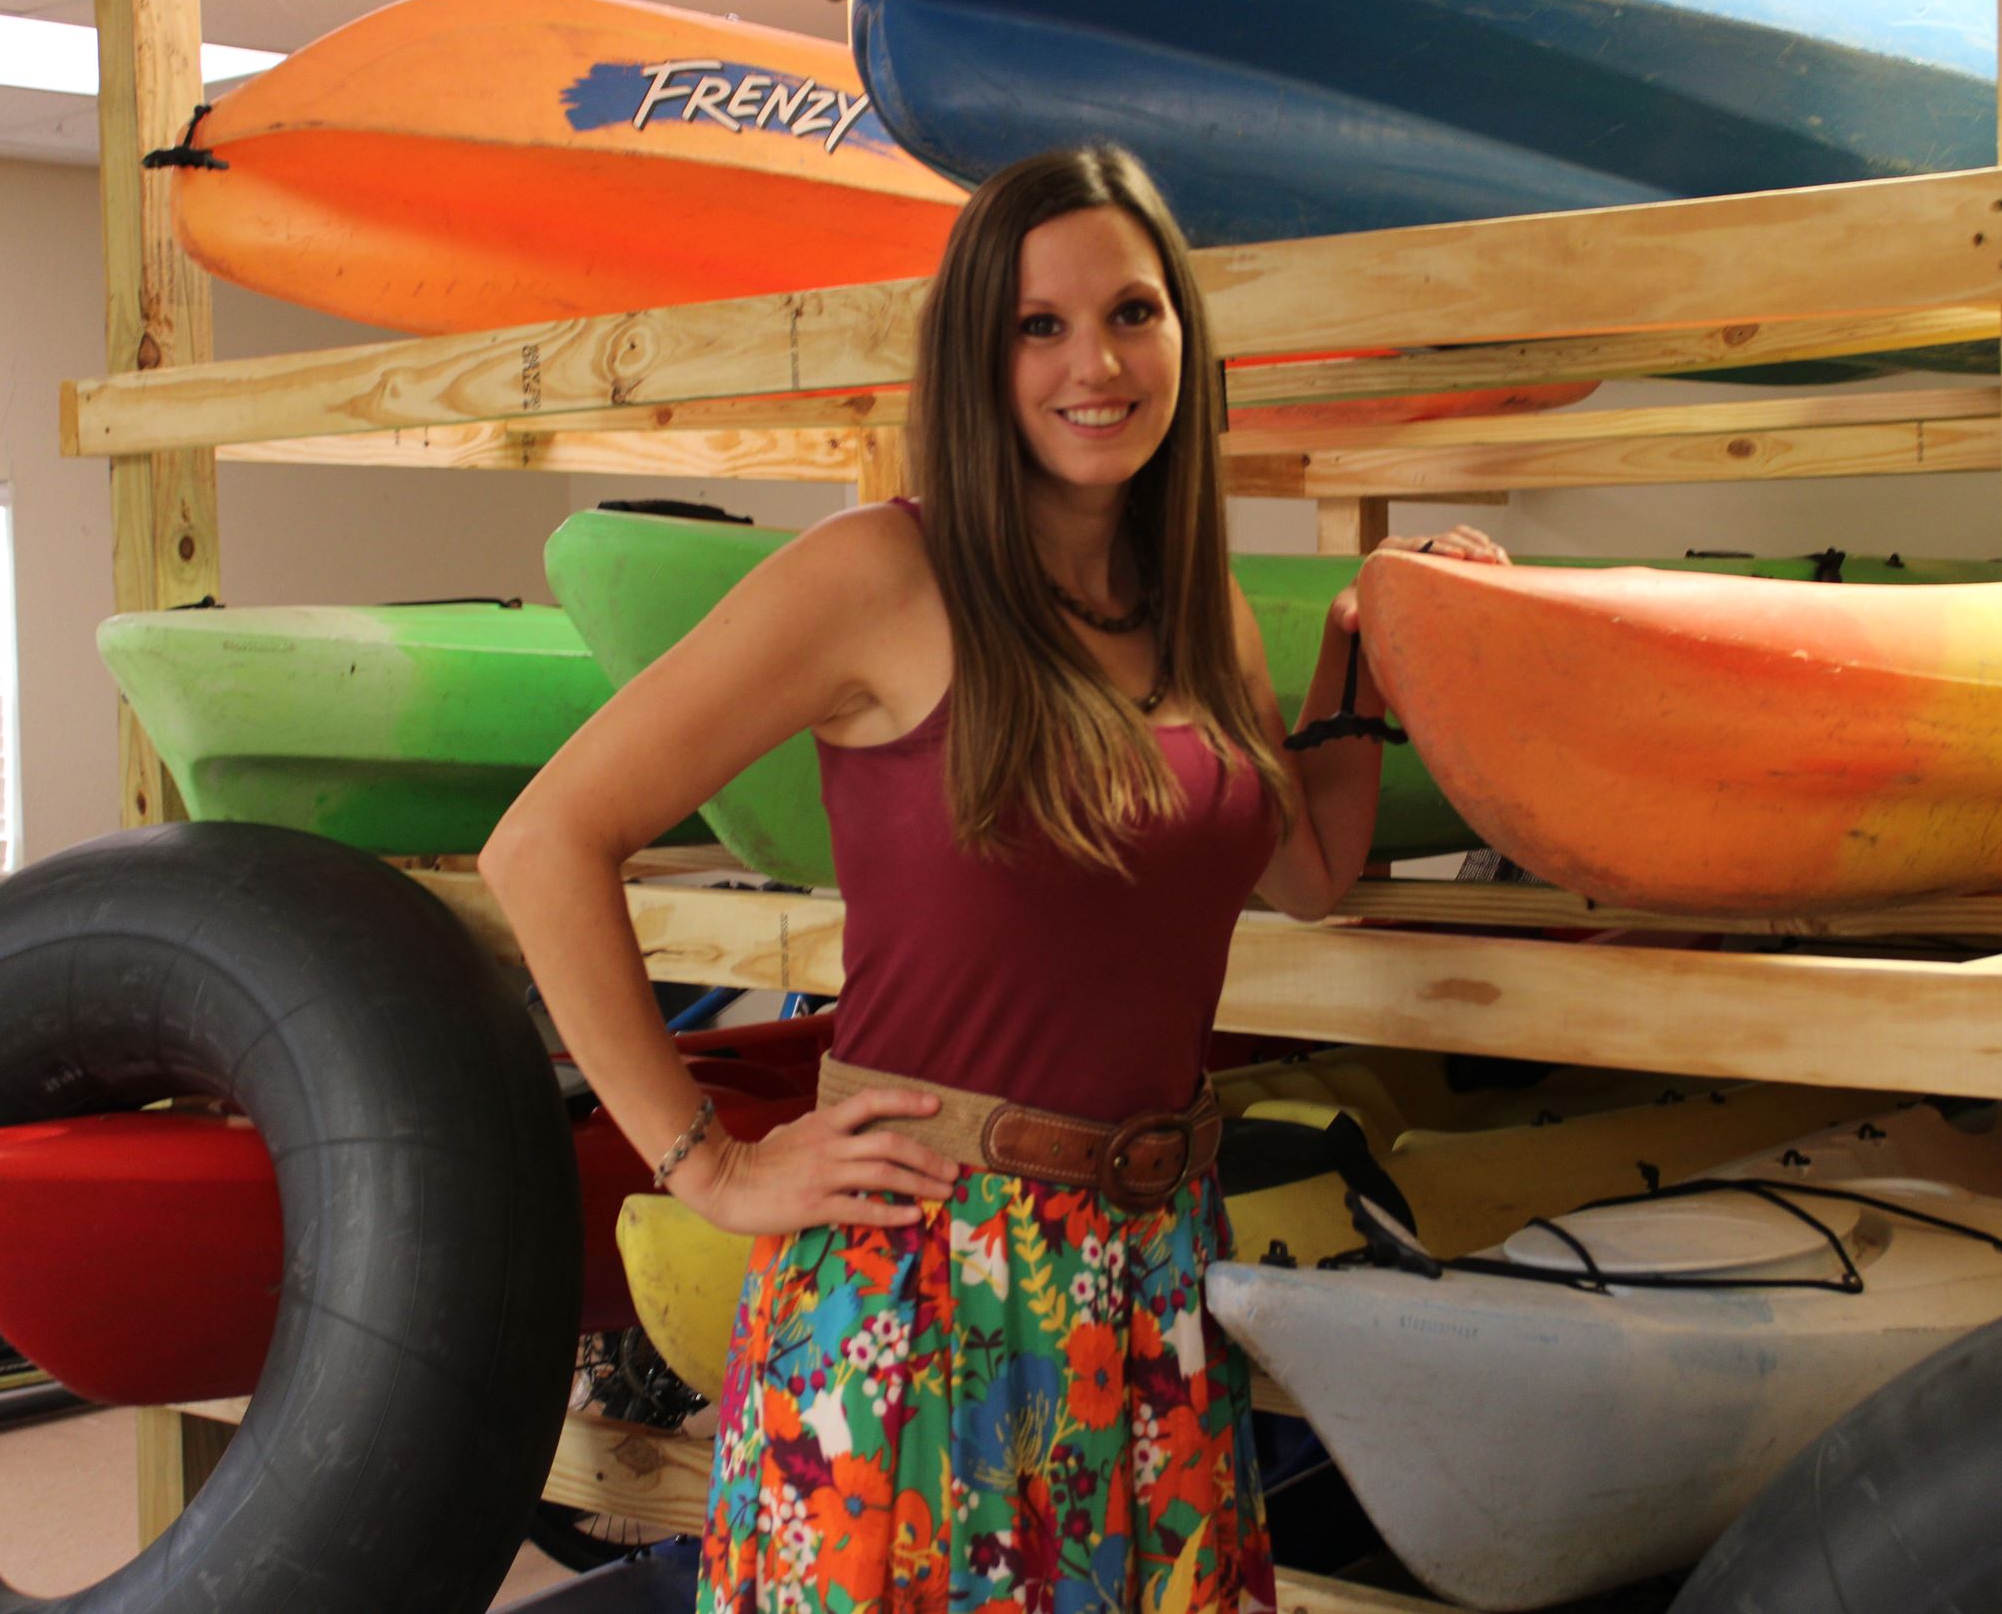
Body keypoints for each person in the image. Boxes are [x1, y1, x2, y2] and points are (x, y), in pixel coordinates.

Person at [480, 144, 1508, 1614]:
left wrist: (1362, 641)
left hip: (1154, 1274)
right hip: (927, 1275)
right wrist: (709, 1162)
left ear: (1181, 339)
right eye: (1041, 325)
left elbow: (1309, 869)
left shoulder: (1197, 601)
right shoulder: (876, 578)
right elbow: (545, 842)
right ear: (979, 355)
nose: (1095, 361)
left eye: (1133, 314)